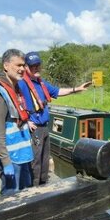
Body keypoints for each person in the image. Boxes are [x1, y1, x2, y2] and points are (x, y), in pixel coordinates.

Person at [18, 51, 91, 186]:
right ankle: (33, 190)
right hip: (34, 129)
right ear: (26, 67)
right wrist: (25, 121)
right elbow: (14, 102)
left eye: (38, 65)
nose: (36, 68)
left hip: (45, 127)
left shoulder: (42, 83)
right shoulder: (22, 84)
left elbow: (58, 91)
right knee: (35, 161)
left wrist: (77, 89)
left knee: (45, 159)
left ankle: (43, 184)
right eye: (33, 65)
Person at [0, 49, 33, 195]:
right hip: (11, 159)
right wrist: (6, 163)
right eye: (18, 65)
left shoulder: (15, 89)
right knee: (11, 200)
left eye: (23, 65)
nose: (22, 69)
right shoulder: (0, 94)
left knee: (25, 196)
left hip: (21, 156)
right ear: (6, 66)